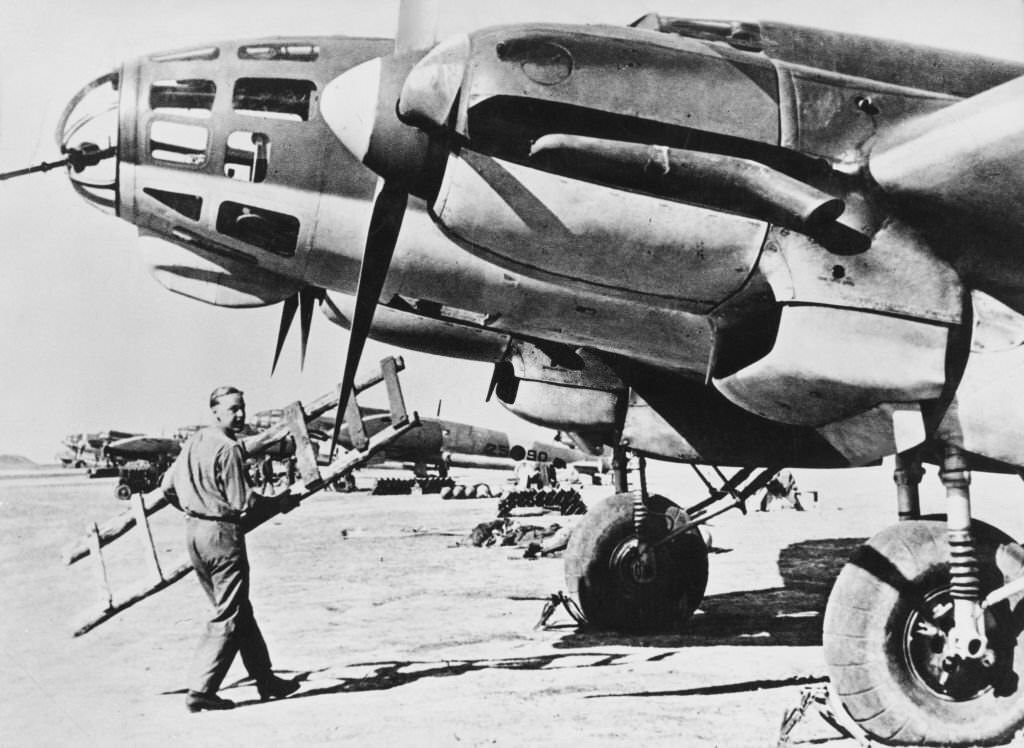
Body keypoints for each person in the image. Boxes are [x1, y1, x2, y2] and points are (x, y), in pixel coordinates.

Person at [162, 386, 301, 712]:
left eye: (242, 408)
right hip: (221, 536)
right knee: (229, 614)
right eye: (233, 409)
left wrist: (195, 507)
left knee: (239, 610)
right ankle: (202, 690)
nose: (240, 415)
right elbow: (245, 504)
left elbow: (167, 487)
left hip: (194, 534)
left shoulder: (193, 442)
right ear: (216, 412)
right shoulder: (229, 449)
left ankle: (265, 680)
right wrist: (280, 502)